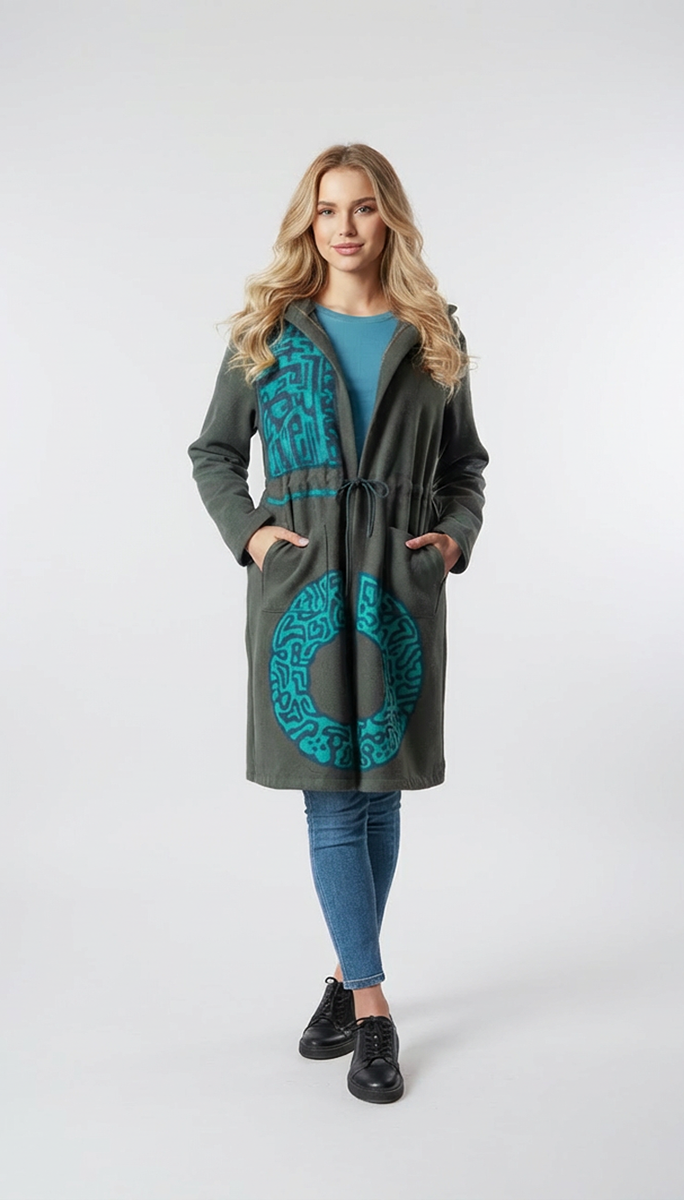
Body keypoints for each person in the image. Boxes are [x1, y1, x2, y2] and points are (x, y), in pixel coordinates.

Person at [189, 144, 488, 1104]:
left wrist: (451, 540)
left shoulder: (433, 333)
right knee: (330, 797)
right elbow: (213, 452)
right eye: (327, 210)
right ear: (307, 222)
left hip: (397, 585)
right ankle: (372, 1009)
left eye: (362, 208)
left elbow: (466, 467)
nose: (345, 227)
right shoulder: (269, 329)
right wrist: (251, 535)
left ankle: (339, 981)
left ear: (387, 216)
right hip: (306, 587)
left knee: (382, 794)